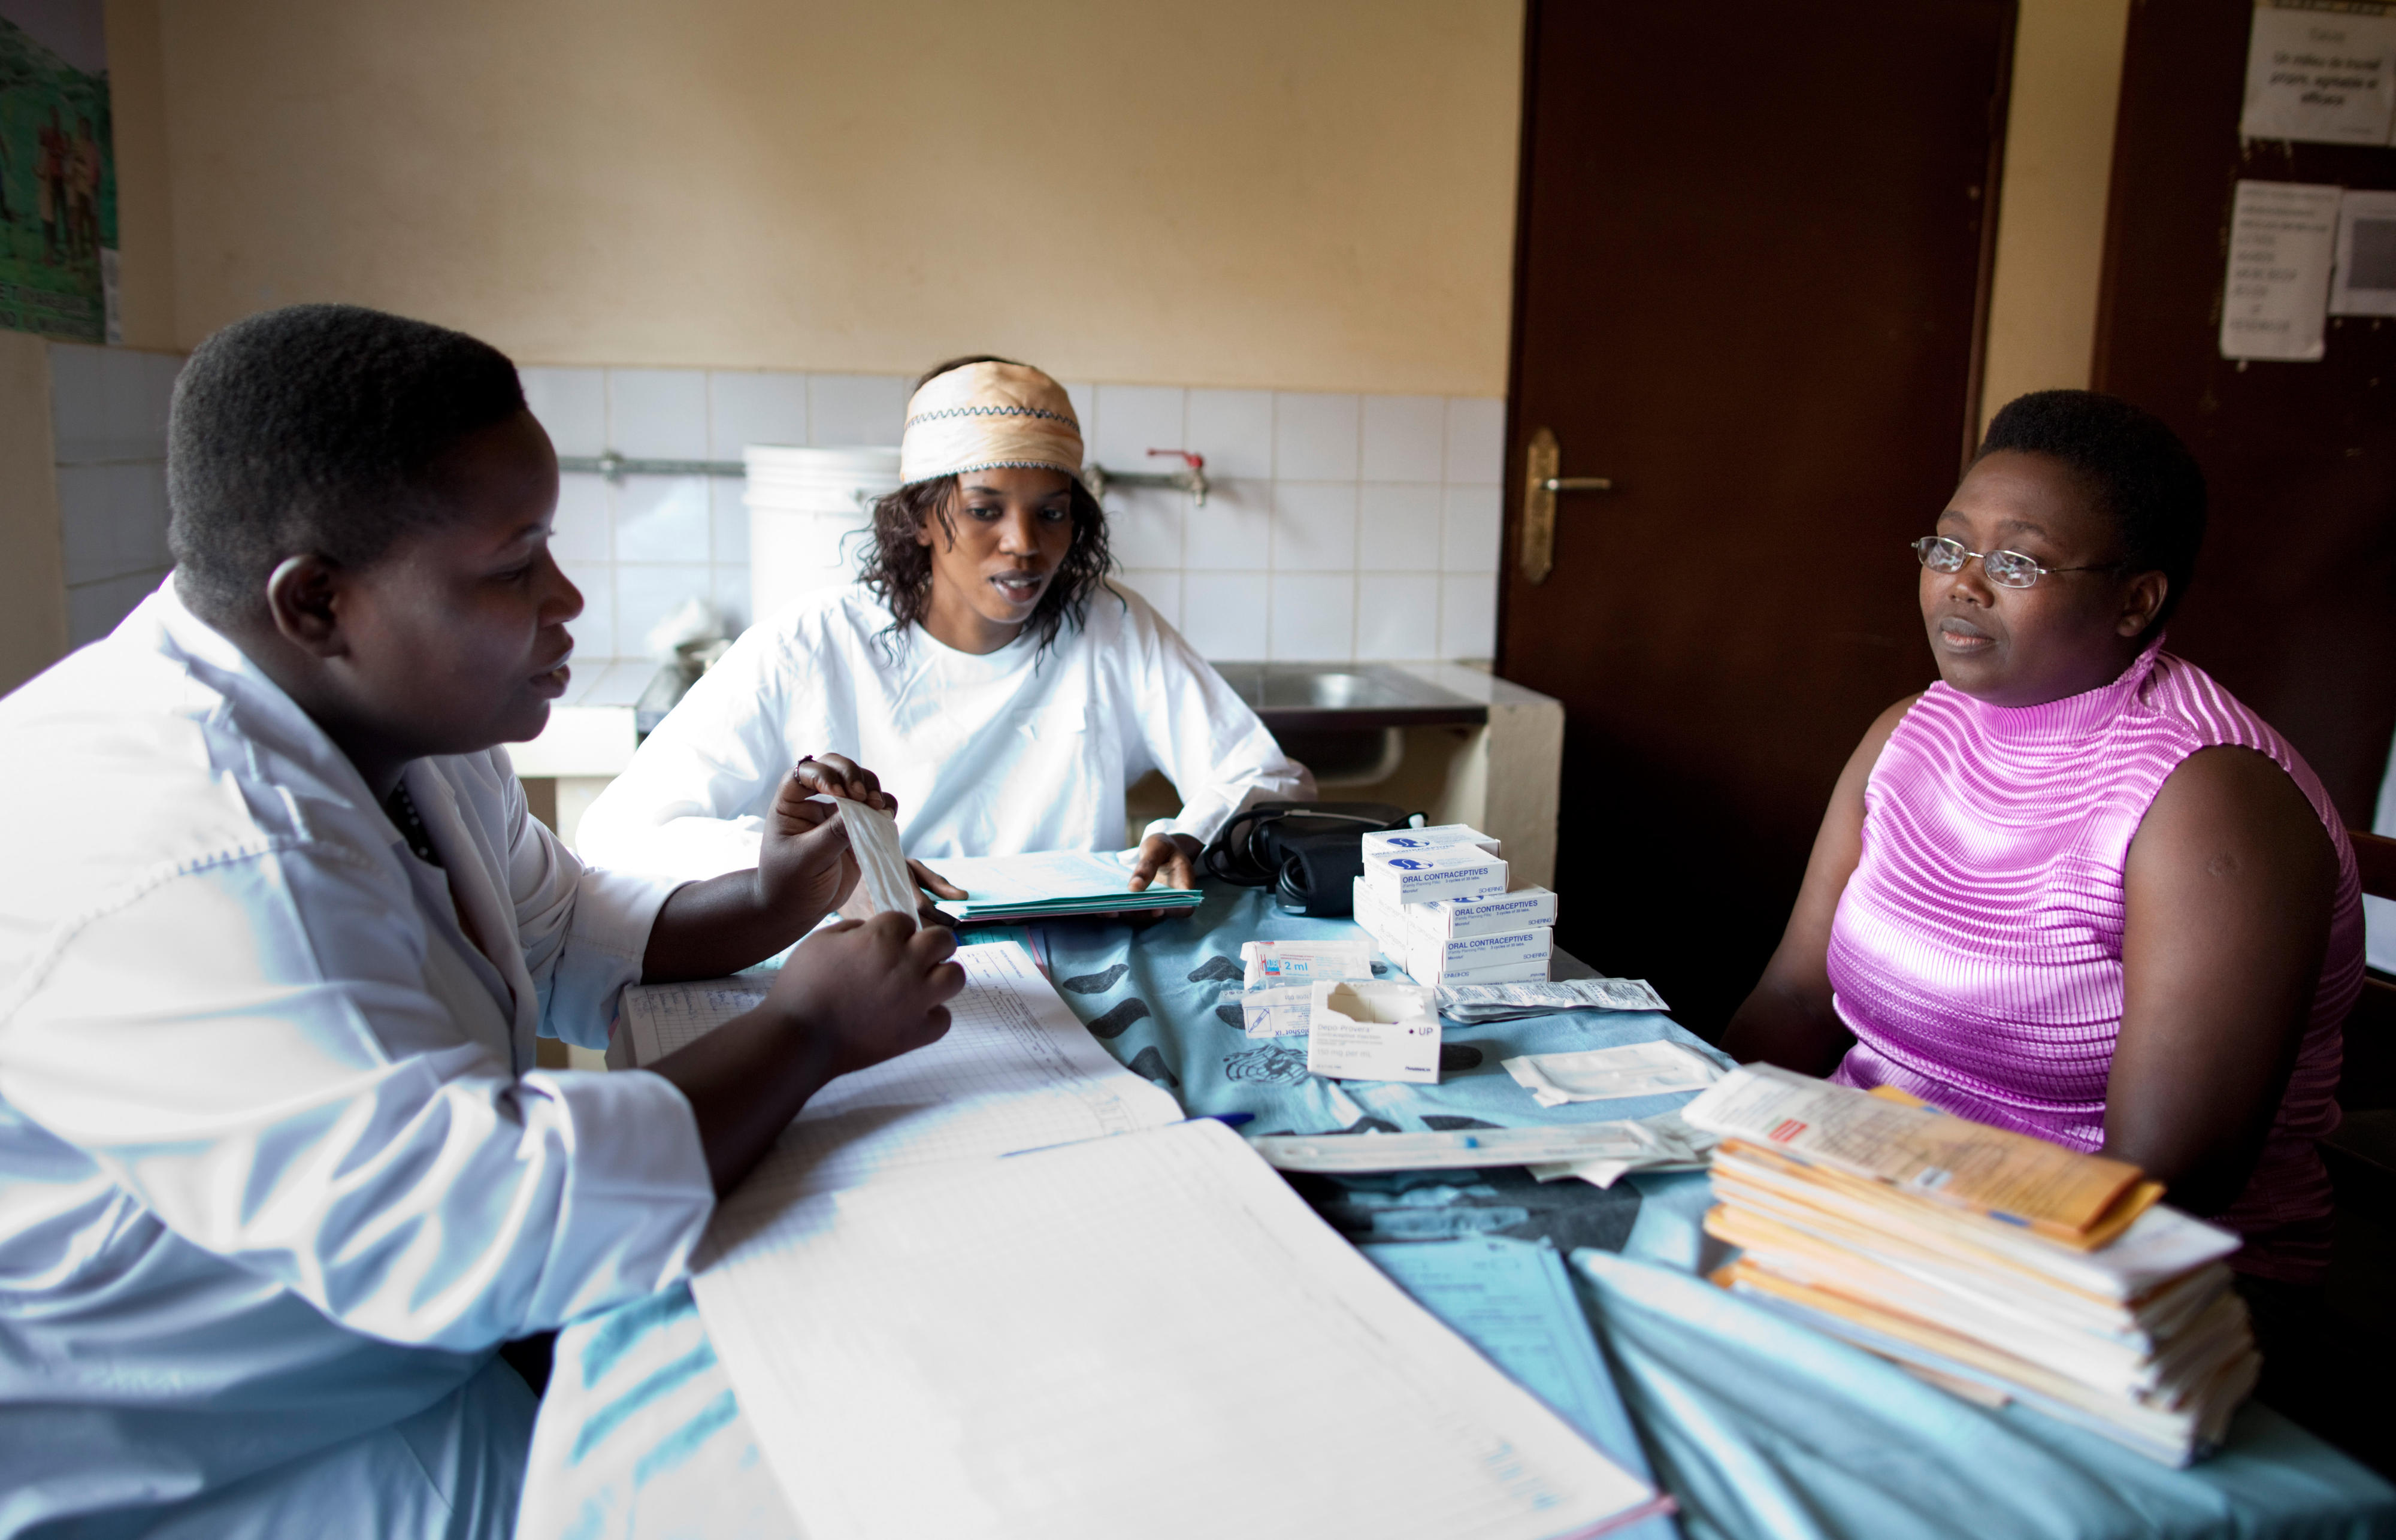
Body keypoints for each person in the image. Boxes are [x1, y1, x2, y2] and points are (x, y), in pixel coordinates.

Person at [0, 304, 963, 1536]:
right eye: (514, 565)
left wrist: (772, 897)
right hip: (201, 1464)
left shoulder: (397, 732)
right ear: (317, 605)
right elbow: (481, 1218)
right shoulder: (186, 847)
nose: (565, 597)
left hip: (362, 1362)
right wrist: (805, 1032)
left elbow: (554, 924)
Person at [1722, 389, 2362, 1286]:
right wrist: (1694, 1133)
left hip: (2111, 1286)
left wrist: (1882, 1236)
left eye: (2019, 564)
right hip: (1863, 1200)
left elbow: (2163, 1176)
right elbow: (1795, 995)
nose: (1962, 582)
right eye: (1949, 546)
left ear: (2136, 601)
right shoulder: (1913, 731)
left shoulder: (2209, 799)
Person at [576, 355, 1311, 898]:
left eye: (1051, 512)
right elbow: (619, 833)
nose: (1024, 543)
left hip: (1074, 955)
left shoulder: (1107, 624)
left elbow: (1265, 774)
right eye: (985, 509)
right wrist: (842, 861)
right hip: (876, 956)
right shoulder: (812, 642)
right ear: (920, 517)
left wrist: (1188, 833)